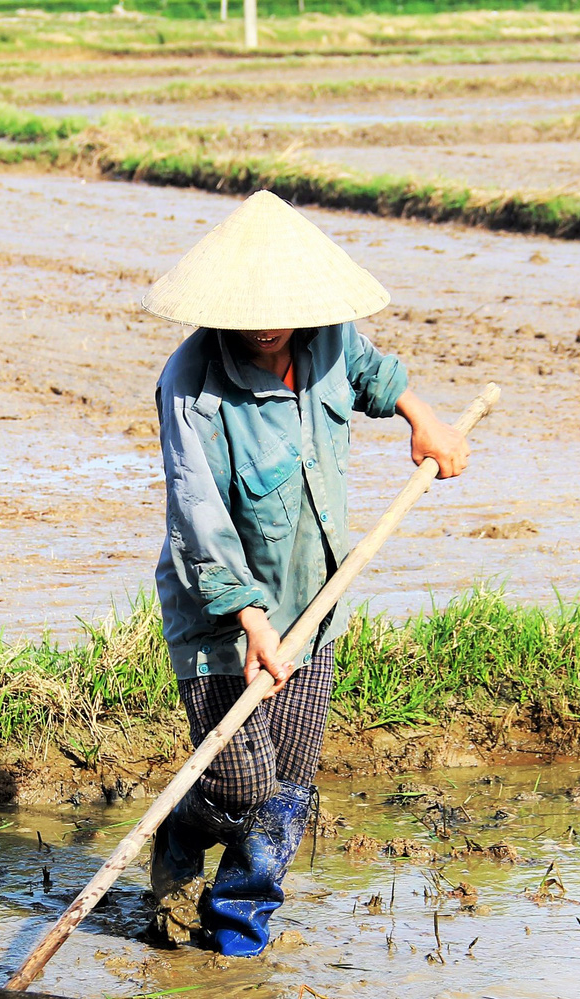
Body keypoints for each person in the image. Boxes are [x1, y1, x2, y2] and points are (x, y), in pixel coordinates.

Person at [138, 190, 469, 957]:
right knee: (239, 786)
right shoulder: (191, 386)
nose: (265, 324)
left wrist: (424, 418)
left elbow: (371, 374)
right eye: (248, 310)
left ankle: (238, 925)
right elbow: (198, 517)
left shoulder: (325, 337)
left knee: (286, 787)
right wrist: (250, 619)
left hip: (314, 606)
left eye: (279, 308)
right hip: (224, 622)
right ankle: (181, 835)